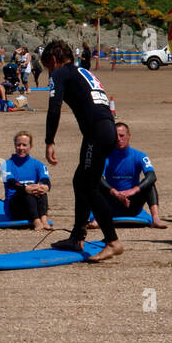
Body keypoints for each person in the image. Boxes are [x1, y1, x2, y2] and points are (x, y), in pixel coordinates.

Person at [42, 39, 122, 261]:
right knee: (81, 181)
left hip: (97, 131)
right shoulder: (82, 72)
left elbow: (54, 107)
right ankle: (77, 237)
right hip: (106, 128)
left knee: (89, 186)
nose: (49, 72)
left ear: (54, 60)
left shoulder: (60, 73)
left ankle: (112, 242)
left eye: (48, 66)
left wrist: (50, 141)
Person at [101, 121, 167, 229]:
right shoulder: (106, 157)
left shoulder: (140, 156)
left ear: (129, 136)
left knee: (150, 185)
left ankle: (155, 219)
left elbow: (152, 176)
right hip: (112, 203)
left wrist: (133, 190)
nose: (118, 139)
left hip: (132, 203)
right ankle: (96, 218)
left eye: (122, 136)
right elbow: (98, 178)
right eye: (115, 136)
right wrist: (115, 193)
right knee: (94, 181)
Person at [1, 131, 52, 229]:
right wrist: (25, 188)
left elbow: (46, 180)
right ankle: (36, 221)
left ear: (31, 146)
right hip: (15, 208)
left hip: (33, 205)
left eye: (24, 145)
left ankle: (44, 220)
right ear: (14, 146)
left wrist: (44, 187)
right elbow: (11, 183)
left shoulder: (38, 164)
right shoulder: (6, 164)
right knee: (27, 191)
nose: (21, 148)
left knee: (40, 190)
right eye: (18, 145)